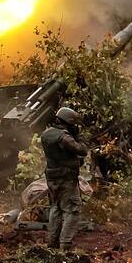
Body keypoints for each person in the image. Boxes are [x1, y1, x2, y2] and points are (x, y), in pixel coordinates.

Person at [40, 106, 89, 250]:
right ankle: (65, 245)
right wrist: (79, 137)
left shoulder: (46, 134)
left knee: (56, 208)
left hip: (52, 177)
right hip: (66, 178)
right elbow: (82, 150)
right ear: (69, 121)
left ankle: (52, 243)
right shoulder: (64, 137)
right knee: (73, 210)